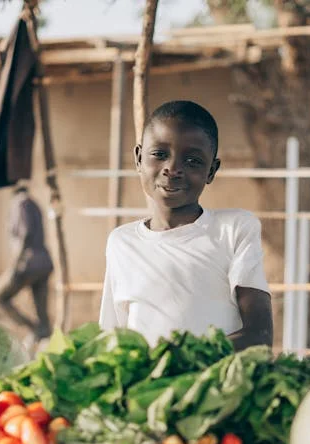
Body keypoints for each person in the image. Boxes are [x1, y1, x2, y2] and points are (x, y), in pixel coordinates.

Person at [98, 100, 273, 350]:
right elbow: (112, 340)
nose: (172, 168)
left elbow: (259, 335)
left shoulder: (234, 229)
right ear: (138, 158)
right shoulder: (121, 242)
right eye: (159, 154)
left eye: (192, 161)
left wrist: (176, 363)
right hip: (147, 386)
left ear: (211, 170)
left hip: (215, 385)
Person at [0, 179, 53, 343]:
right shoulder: (34, 203)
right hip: (44, 263)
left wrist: (14, 265)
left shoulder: (20, 203)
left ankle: (32, 328)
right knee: (42, 313)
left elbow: (25, 235)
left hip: (28, 264)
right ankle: (43, 336)